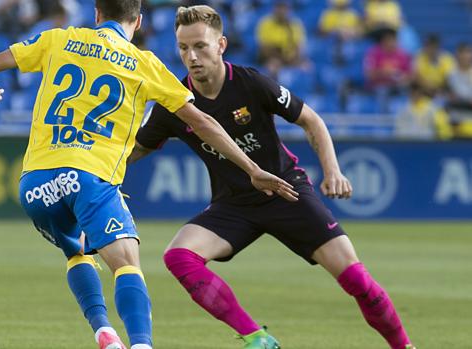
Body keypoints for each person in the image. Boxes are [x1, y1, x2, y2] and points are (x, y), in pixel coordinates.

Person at [0, 1, 298, 349]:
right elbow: (202, 122)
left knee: (77, 251)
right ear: (139, 21)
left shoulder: (58, 40)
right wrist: (252, 168)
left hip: (35, 184)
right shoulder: (144, 64)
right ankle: (141, 344)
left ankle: (103, 331)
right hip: (90, 175)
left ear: (96, 14)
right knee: (126, 264)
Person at [129, 5, 416, 349]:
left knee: (357, 280)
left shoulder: (250, 83)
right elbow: (136, 150)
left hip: (286, 193)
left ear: (220, 45)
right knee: (178, 256)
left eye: (200, 46)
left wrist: (333, 170)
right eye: (183, 48)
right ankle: (257, 338)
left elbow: (312, 121)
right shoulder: (174, 102)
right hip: (234, 204)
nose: (192, 56)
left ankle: (404, 346)